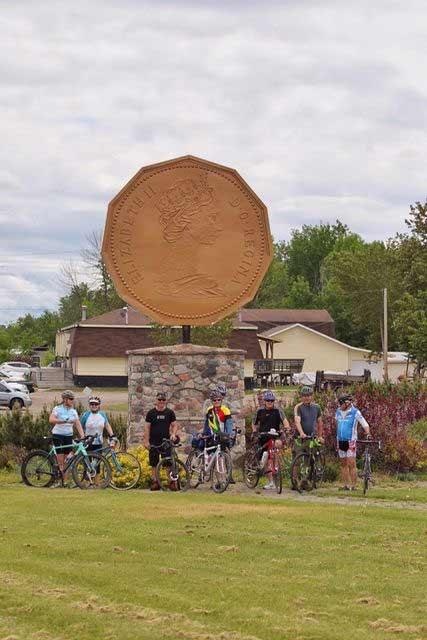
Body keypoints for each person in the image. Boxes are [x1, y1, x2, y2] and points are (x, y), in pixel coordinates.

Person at [252, 390, 290, 490]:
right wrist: (254, 431)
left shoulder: (278, 410)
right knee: (264, 459)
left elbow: (285, 421)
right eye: (268, 400)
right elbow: (254, 423)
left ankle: (276, 467)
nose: (270, 402)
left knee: (276, 446)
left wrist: (287, 428)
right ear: (264, 401)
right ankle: (270, 482)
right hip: (263, 436)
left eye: (272, 401)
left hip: (274, 435)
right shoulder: (260, 411)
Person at [144, 392, 179, 491]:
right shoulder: (151, 413)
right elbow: (147, 427)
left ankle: (171, 482)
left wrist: (173, 434)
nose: (161, 402)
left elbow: (175, 425)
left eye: (163, 400)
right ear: (156, 401)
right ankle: (155, 482)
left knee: (168, 462)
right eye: (159, 400)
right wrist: (146, 441)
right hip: (154, 441)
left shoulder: (169, 412)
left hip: (166, 441)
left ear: (166, 401)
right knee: (154, 463)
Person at [335, 394, 370, 491]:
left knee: (351, 463)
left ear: (347, 403)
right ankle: (345, 485)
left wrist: (367, 433)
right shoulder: (338, 411)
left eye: (341, 404)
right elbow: (337, 423)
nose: (339, 406)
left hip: (351, 441)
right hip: (340, 440)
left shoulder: (355, 412)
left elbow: (365, 424)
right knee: (343, 464)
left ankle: (353, 486)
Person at [49, 390, 84, 479]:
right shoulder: (57, 409)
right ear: (65, 399)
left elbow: (77, 423)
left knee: (67, 460)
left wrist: (83, 436)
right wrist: (62, 421)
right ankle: (59, 480)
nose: (73, 401)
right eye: (71, 399)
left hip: (68, 436)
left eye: (73, 399)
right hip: (58, 435)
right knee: (61, 460)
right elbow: (51, 420)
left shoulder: (73, 411)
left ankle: (65, 480)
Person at [203, 389, 236, 483]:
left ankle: (224, 479)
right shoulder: (209, 410)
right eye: (214, 400)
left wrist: (228, 435)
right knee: (213, 458)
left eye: (218, 400)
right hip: (212, 436)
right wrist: (204, 433)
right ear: (211, 401)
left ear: (221, 400)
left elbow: (229, 424)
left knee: (221, 458)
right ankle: (218, 481)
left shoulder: (225, 410)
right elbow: (207, 423)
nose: (216, 402)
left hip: (222, 437)